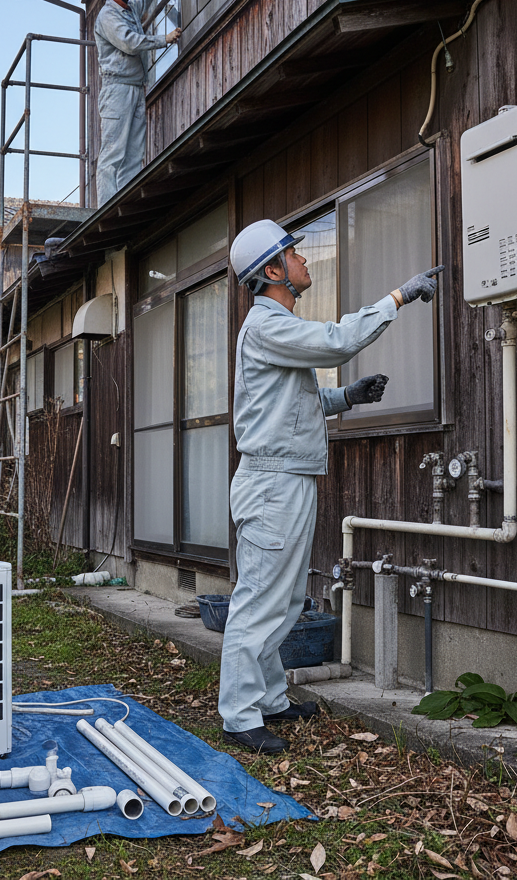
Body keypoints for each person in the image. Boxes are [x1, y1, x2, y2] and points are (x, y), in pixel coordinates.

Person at [219, 218, 443, 753]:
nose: (305, 261)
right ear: (273, 271)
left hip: (285, 481)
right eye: (294, 255)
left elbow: (296, 404)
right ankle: (240, 714)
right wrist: (399, 296)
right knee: (260, 601)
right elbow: (338, 340)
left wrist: (348, 398)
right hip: (273, 483)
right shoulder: (268, 325)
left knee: (286, 599)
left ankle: (269, 699)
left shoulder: (275, 330)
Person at [94, 0, 183, 204]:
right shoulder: (107, 16)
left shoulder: (130, 8)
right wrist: (163, 39)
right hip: (117, 90)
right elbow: (129, 42)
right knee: (113, 153)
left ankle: (126, 205)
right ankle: (106, 210)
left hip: (134, 87)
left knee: (134, 155)